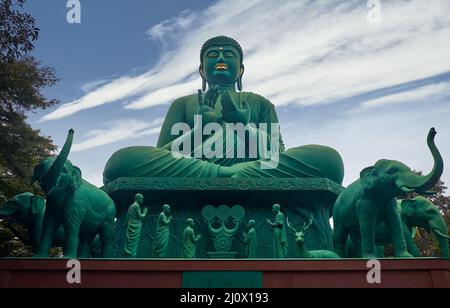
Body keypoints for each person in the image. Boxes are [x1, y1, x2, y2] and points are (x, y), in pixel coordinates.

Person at [103, 36, 344, 184]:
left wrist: (244, 128)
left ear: (240, 70)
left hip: (254, 170)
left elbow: (277, 153)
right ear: (201, 71)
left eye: (228, 54)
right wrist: (202, 131)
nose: (220, 57)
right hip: (195, 170)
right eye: (212, 54)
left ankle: (230, 175)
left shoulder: (259, 102)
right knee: (121, 163)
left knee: (328, 160)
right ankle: (230, 176)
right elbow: (162, 156)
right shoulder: (183, 104)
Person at [124, 193, 147, 258]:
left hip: (130, 225)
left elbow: (127, 217)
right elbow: (140, 216)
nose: (142, 200)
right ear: (138, 198)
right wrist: (145, 212)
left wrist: (125, 224)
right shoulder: (136, 206)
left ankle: (128, 254)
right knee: (133, 243)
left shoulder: (131, 206)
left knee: (129, 242)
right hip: (135, 226)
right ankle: (131, 256)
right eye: (142, 199)